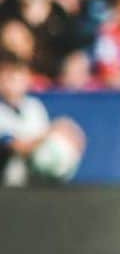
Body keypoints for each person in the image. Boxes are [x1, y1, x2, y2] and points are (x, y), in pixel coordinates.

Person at [0, 47, 85, 186]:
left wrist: (68, 137)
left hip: (38, 184)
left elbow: (47, 141)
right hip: (9, 185)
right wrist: (51, 131)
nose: (14, 83)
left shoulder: (34, 106)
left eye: (19, 77)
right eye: (8, 78)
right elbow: (17, 147)